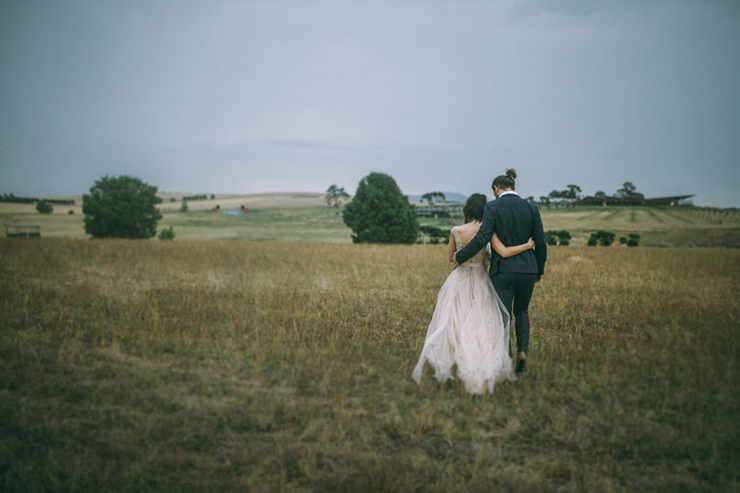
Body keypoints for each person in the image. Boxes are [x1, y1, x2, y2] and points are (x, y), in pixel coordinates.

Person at [411, 193, 535, 394]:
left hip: (459, 280)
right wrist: (528, 246)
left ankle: (458, 364)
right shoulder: (488, 231)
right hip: (480, 280)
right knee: (481, 325)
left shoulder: (456, 230)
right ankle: (481, 364)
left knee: (455, 323)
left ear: (467, 209)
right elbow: (499, 254)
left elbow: (452, 258)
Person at [454, 169, 547, 374]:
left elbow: (482, 237)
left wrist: (460, 256)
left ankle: (507, 356)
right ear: (513, 187)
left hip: (503, 271)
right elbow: (540, 242)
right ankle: (523, 352)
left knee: (503, 316)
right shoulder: (532, 208)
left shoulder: (492, 207)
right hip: (527, 270)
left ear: (496, 189)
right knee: (522, 311)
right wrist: (539, 269)